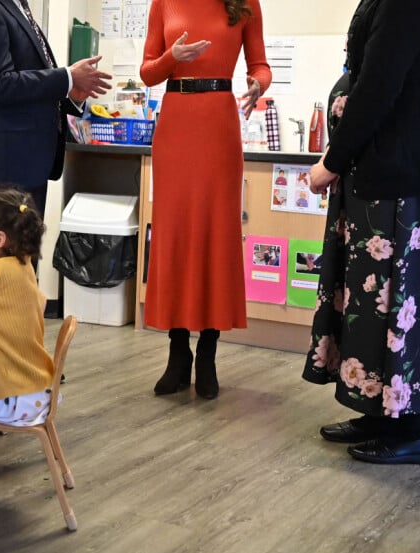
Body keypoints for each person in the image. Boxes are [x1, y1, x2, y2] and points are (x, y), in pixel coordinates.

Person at [303, 0, 420, 465]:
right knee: (372, 305)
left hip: (405, 184)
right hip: (387, 178)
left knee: (402, 302)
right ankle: (379, 411)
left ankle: (412, 430)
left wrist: (331, 161)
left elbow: (378, 86)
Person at [140, 0, 271, 399]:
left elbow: (260, 64)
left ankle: (208, 351)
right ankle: (178, 353)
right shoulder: (163, 2)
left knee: (216, 233)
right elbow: (147, 73)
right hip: (176, 121)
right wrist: (171, 57)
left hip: (219, 123)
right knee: (174, 234)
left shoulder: (245, 3)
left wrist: (257, 85)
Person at [0, 0, 112, 221]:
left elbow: (32, 87)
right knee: (10, 254)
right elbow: (1, 83)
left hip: (33, 163)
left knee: (28, 252)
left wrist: (71, 96)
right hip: (9, 167)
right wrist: (67, 77)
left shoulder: (22, 9)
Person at [0, 187, 56, 426]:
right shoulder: (23, 267)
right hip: (35, 392)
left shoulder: (0, 272)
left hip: (14, 398)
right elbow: (40, 303)